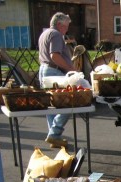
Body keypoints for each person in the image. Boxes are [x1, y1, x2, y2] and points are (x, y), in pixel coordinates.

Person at [38, 12, 76, 148]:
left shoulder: (45, 34)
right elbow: (55, 56)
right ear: (59, 25)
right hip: (54, 71)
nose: (67, 29)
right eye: (66, 26)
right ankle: (54, 134)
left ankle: (54, 136)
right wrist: (71, 69)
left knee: (52, 105)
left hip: (44, 70)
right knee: (67, 102)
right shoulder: (56, 35)